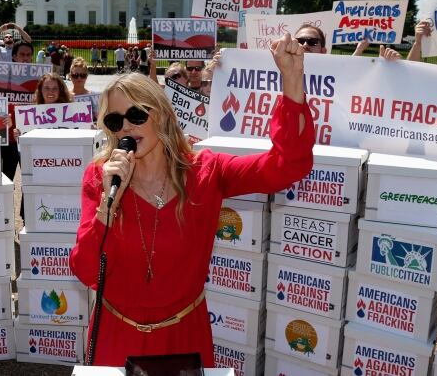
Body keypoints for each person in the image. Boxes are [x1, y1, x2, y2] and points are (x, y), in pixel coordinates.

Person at [69, 34, 315, 366]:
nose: (126, 126)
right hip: (117, 335)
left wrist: (292, 79)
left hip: (183, 335)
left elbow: (287, 166)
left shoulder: (207, 171)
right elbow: (86, 271)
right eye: (116, 121)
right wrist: (107, 206)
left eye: (137, 115)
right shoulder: (100, 179)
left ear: (162, 115)